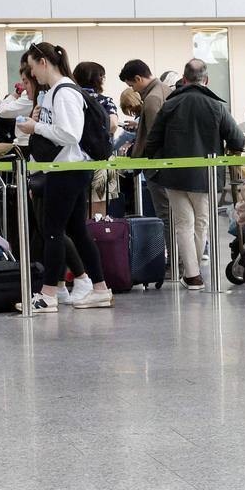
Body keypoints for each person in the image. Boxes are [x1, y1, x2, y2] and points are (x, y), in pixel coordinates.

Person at [19, 42, 114, 312]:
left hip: (69, 169)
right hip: (68, 168)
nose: (31, 74)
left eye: (31, 66)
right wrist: (38, 124)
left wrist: (36, 126)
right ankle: (100, 288)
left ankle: (48, 294)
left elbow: (71, 133)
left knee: (52, 231)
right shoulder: (54, 93)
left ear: (43, 63)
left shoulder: (64, 93)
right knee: (75, 230)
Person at [143, 58, 245, 290]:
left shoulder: (170, 105)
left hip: (174, 176)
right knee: (202, 223)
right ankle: (194, 273)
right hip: (206, 176)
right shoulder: (217, 106)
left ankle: (192, 275)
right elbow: (238, 139)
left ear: (184, 79)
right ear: (206, 80)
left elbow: (152, 143)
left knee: (183, 224)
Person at [120, 60, 173, 236]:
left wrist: (135, 146)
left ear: (138, 78)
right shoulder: (166, 90)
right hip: (169, 166)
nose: (133, 90)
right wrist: (139, 127)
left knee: (165, 215)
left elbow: (154, 137)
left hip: (157, 169)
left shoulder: (151, 99)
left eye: (132, 85)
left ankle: (172, 259)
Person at [74, 61, 120, 218]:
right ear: (99, 79)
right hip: (101, 159)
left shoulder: (71, 98)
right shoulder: (105, 101)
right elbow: (113, 125)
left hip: (73, 160)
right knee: (98, 213)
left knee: (76, 212)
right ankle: (98, 240)